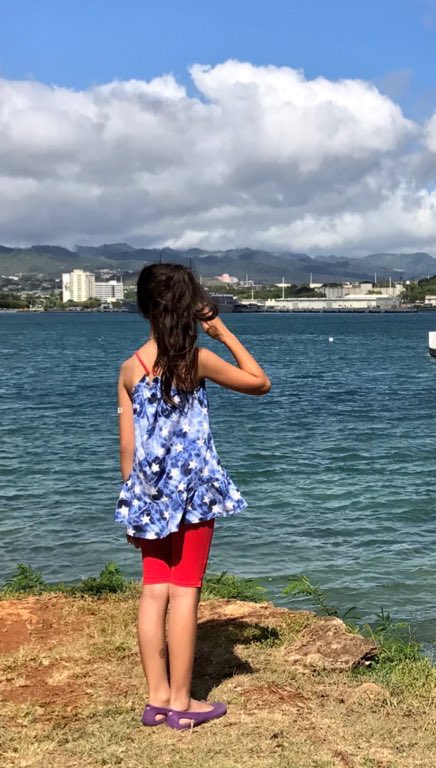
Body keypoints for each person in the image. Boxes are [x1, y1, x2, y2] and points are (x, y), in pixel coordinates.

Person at [115, 264, 271, 730]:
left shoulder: (129, 370)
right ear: (187, 307)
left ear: (143, 307)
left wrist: (134, 507)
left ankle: (157, 697)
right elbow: (259, 382)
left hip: (148, 496)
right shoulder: (194, 360)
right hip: (196, 497)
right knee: (186, 593)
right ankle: (183, 703)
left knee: (153, 593)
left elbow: (128, 447)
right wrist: (222, 332)